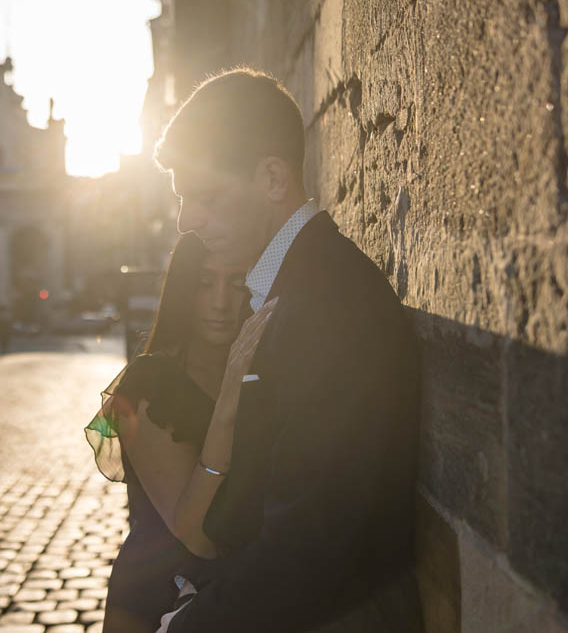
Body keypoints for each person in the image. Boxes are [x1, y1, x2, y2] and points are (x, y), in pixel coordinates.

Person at [152, 68, 423, 632]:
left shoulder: (326, 298)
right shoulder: (286, 287)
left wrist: (191, 627)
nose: (187, 221)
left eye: (205, 196)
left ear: (273, 179)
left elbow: (312, 537)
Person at [86, 233, 273, 632]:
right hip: (158, 600)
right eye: (205, 284)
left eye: (236, 283)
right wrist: (226, 407)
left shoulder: (266, 370)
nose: (221, 302)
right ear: (184, 289)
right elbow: (198, 538)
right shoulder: (150, 385)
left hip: (238, 598)